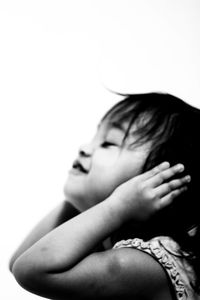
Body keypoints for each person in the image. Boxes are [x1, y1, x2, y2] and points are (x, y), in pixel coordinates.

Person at [9, 93, 200, 300]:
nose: (84, 148)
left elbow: (30, 270)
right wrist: (80, 200)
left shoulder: (147, 265)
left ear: (160, 181)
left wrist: (116, 207)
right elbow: (19, 260)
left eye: (108, 143)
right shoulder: (108, 242)